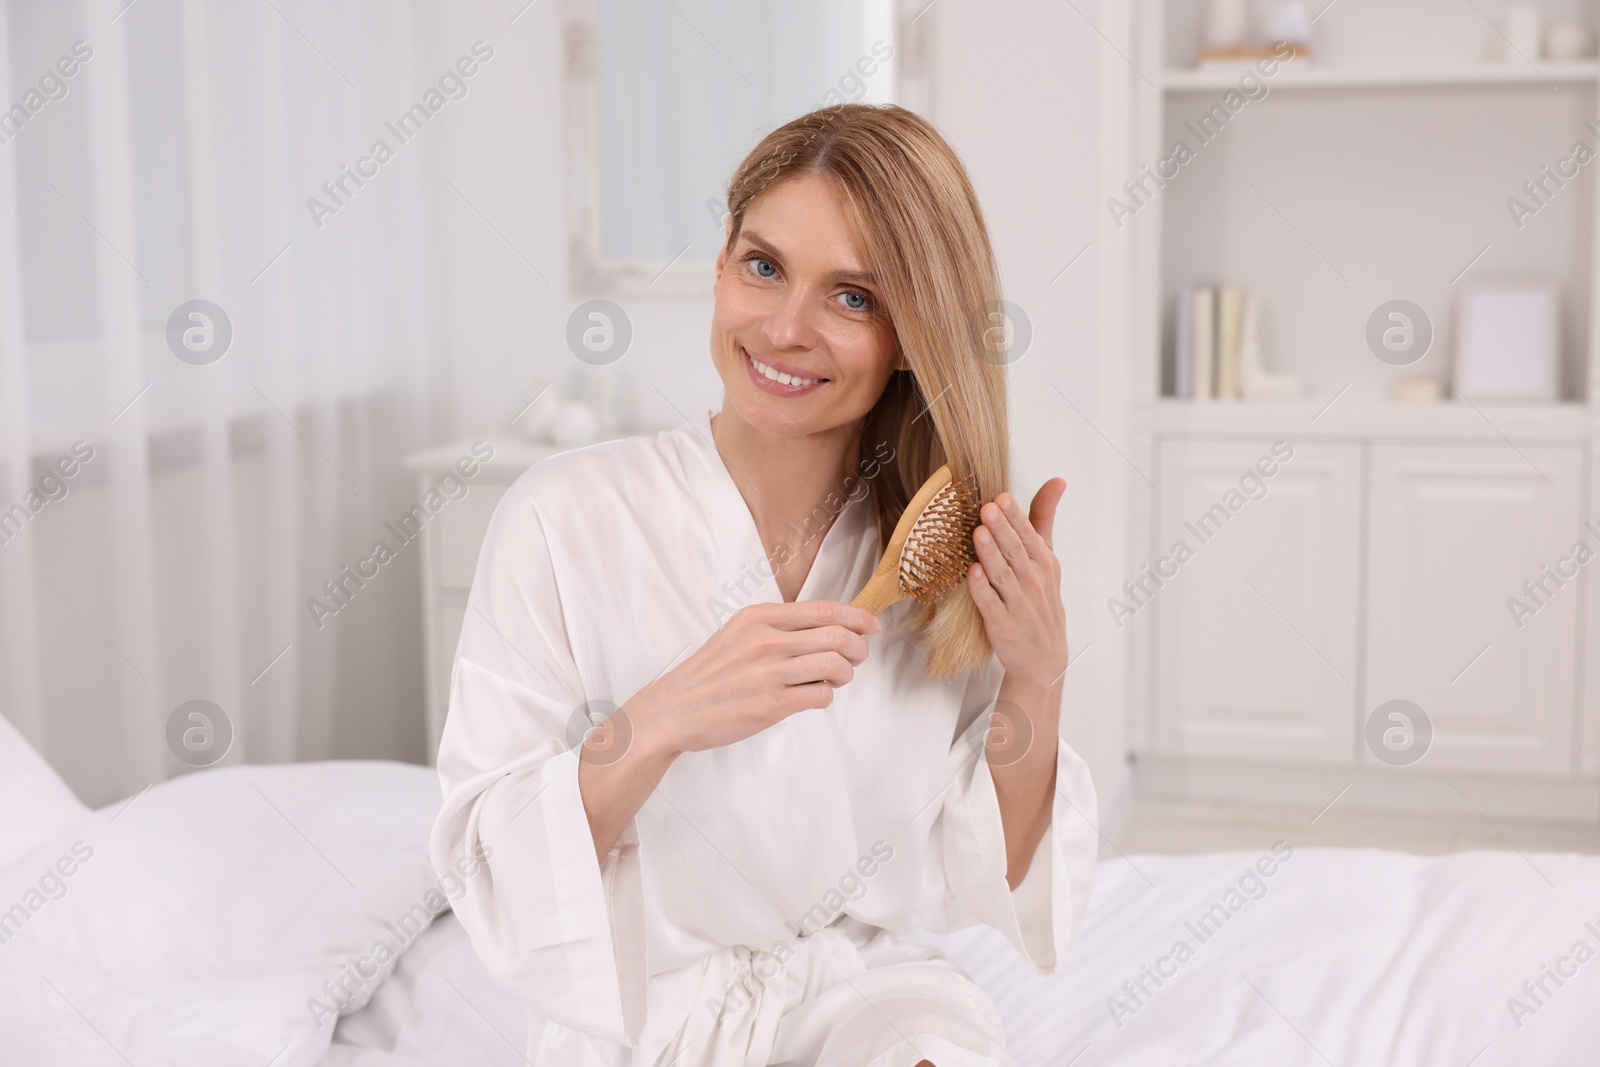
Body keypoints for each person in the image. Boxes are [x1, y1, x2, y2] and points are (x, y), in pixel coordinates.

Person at [430, 103, 1098, 1067]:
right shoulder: (561, 515)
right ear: (719, 268)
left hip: (871, 997)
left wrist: (1039, 674)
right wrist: (659, 720)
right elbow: (486, 860)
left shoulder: (929, 553)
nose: (786, 329)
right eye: (764, 266)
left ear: (913, 335)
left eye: (854, 297)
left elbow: (998, 859)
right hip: (644, 1018)